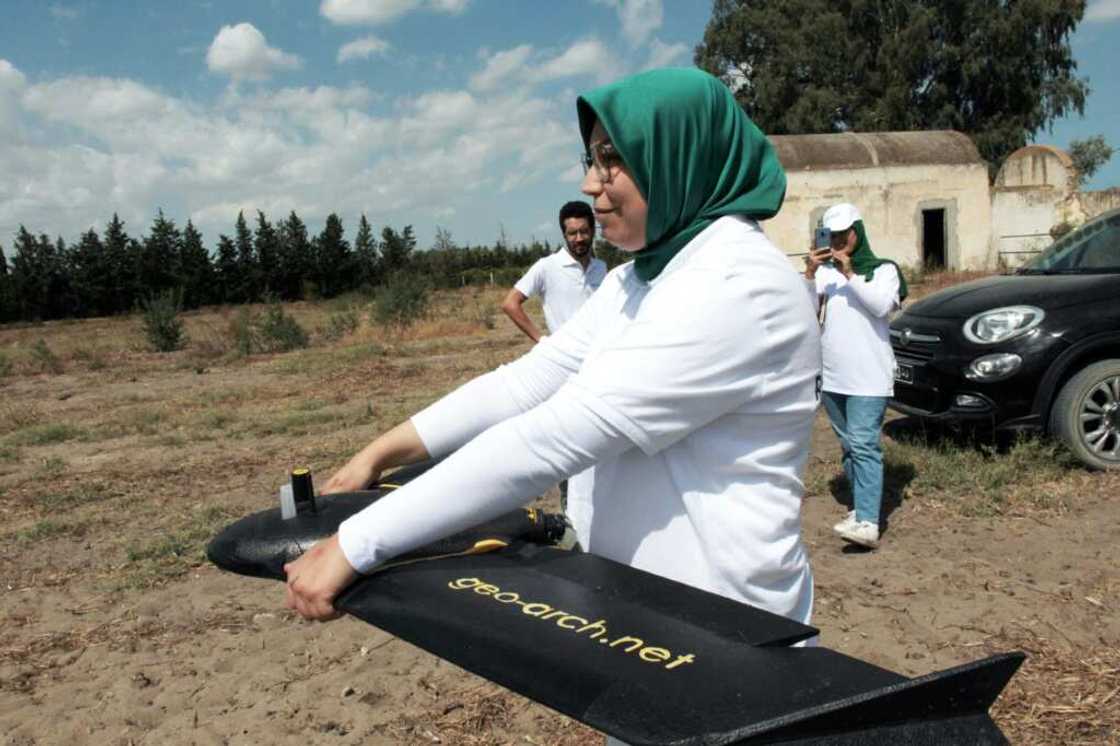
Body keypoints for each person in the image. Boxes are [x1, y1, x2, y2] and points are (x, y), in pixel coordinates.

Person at [284, 68, 821, 658]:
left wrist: (357, 543)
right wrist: (374, 457)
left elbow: (553, 438)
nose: (592, 184)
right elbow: (527, 384)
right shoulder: (637, 279)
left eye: (612, 158)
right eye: (589, 159)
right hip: (644, 616)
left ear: (678, 156)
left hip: (728, 630)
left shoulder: (737, 285)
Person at [803, 203, 907, 549]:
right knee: (850, 446)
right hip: (833, 377)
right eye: (831, 235)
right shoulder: (824, 275)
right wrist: (808, 274)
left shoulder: (883, 271)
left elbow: (879, 306)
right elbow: (804, 313)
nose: (836, 241)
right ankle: (859, 509)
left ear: (856, 233)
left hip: (869, 376)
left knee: (864, 444)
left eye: (842, 234)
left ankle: (868, 522)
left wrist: (849, 273)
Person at [501, 201, 607, 343]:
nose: (579, 238)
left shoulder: (601, 268)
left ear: (593, 231)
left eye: (584, 231)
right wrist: (541, 341)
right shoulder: (547, 266)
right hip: (565, 356)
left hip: (599, 351)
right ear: (564, 234)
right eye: (572, 233)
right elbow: (510, 304)